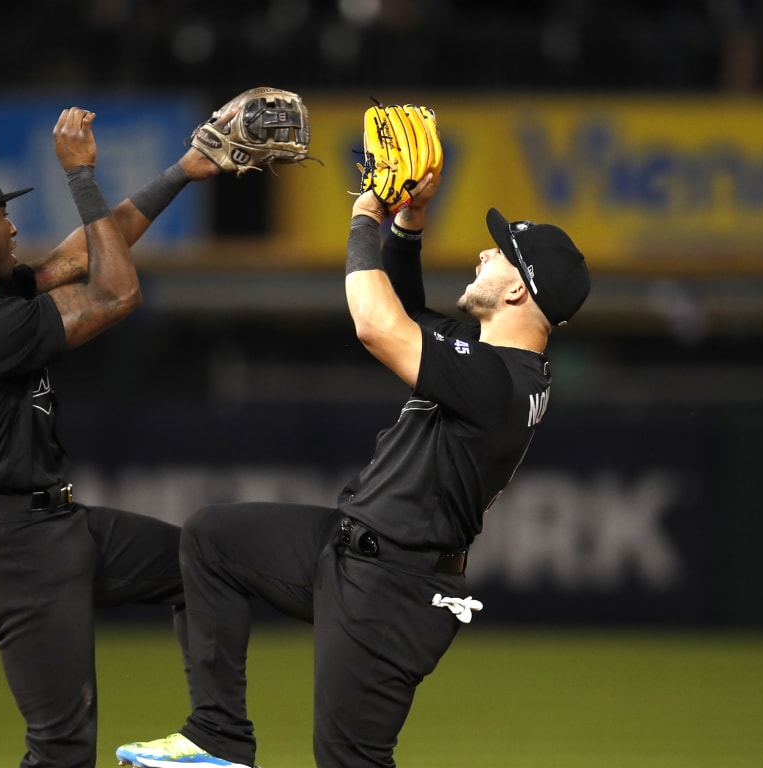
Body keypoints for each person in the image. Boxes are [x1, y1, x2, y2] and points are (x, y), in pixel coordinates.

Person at [115, 163, 591, 768]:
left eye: (499, 253)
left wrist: (367, 212)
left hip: (394, 588)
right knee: (213, 540)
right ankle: (216, 737)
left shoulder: (494, 379)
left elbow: (376, 323)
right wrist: (410, 224)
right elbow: (410, 314)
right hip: (350, 554)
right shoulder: (499, 365)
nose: (481, 254)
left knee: (350, 760)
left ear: (519, 290)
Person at [0, 106, 225, 768]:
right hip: (14, 548)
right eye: (0, 218)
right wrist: (80, 175)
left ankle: (212, 737)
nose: (13, 225)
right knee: (60, 751)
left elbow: (85, 254)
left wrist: (182, 173)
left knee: (203, 569)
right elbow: (115, 292)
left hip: (50, 527)